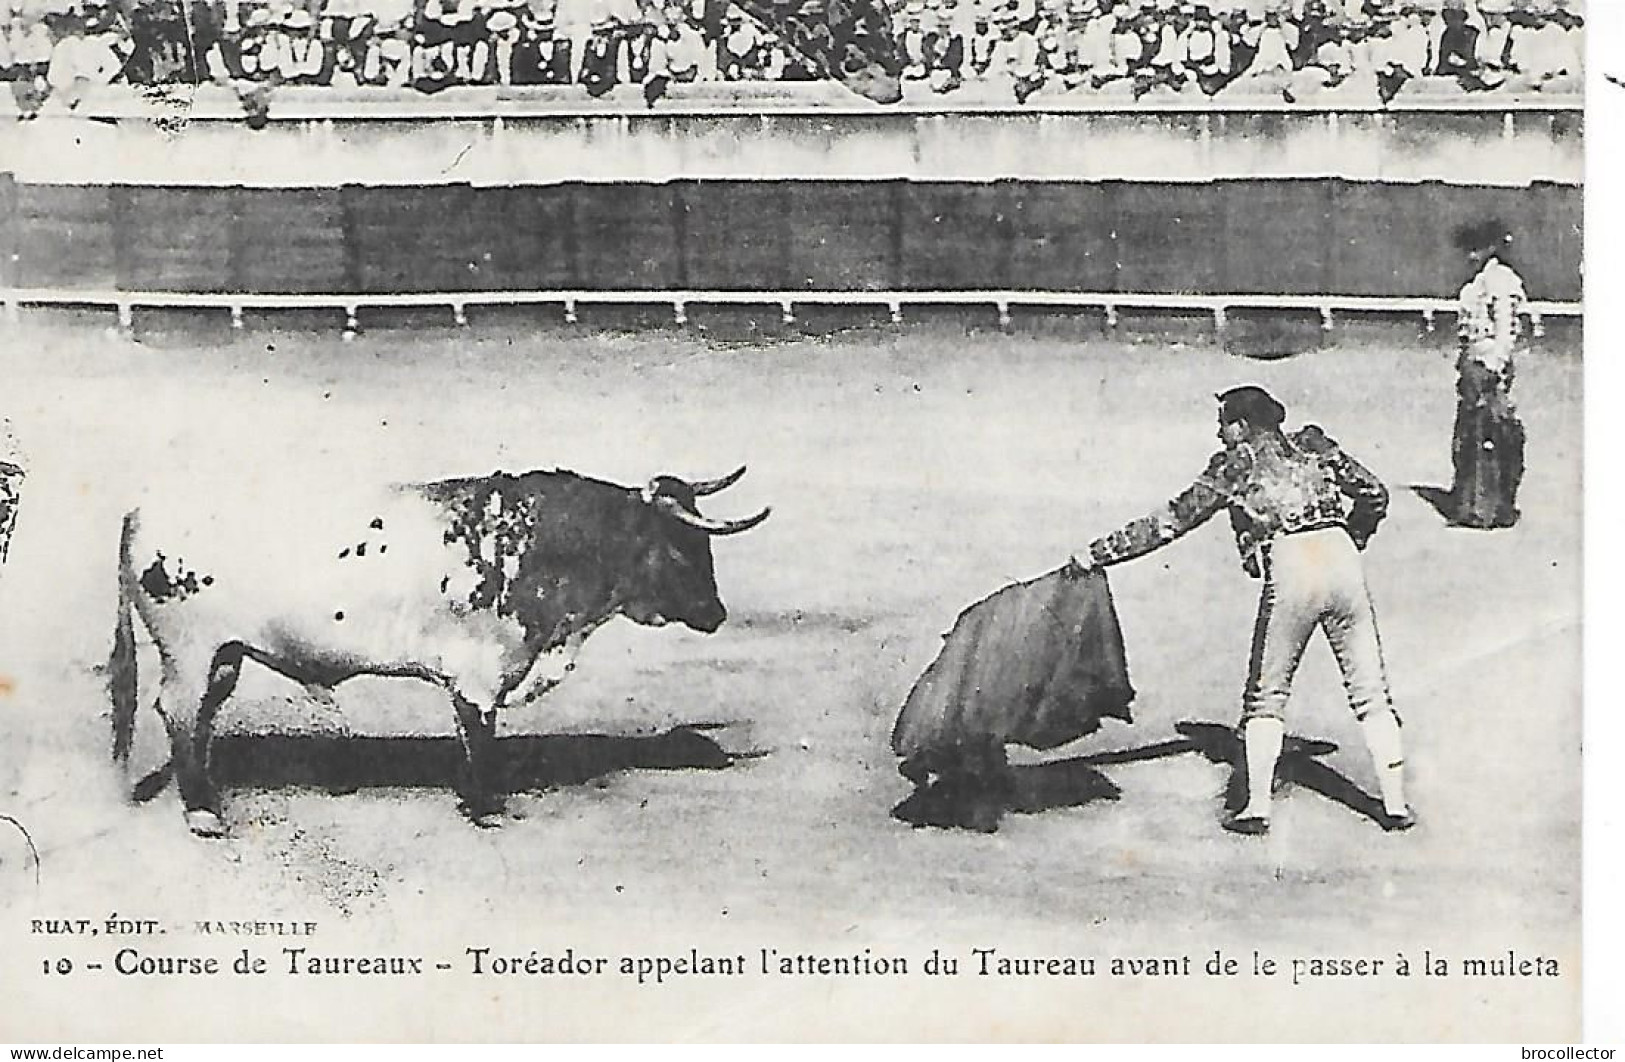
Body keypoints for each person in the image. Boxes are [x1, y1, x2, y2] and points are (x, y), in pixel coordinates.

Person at [1067, 386, 1415, 835]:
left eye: (1223, 423)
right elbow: (1374, 493)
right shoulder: (1314, 444)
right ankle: (1395, 804)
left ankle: (1256, 809)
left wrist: (1097, 554)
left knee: (1267, 694)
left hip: (1291, 562)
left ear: (1242, 426)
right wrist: (1356, 537)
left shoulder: (1234, 466)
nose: (1218, 433)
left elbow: (1169, 522)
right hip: (1342, 557)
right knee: (1370, 690)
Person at [1448, 219, 1528, 529]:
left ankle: (1489, 509)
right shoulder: (1480, 279)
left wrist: (1495, 364)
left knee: (1491, 434)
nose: (1469, 255)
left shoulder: (1501, 279)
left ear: (1490, 248)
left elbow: (1505, 326)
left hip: (1488, 363)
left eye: (1475, 248)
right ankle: (1471, 505)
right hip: (1473, 361)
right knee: (1470, 434)